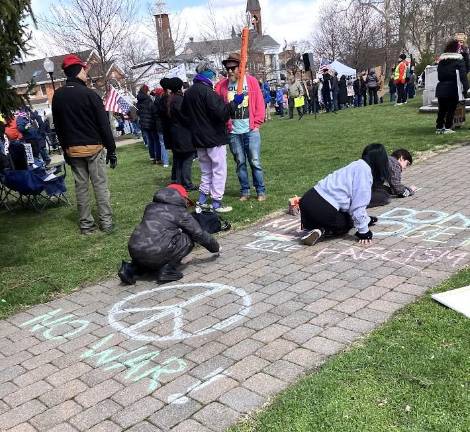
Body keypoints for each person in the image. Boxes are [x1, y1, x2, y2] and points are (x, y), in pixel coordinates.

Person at [52, 54, 117, 235]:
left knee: (81, 188)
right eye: (84, 70)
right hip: (93, 148)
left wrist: (65, 149)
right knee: (100, 186)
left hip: (73, 149)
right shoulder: (90, 94)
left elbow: (58, 127)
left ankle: (86, 226)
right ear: (79, 71)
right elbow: (103, 125)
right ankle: (106, 222)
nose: (86, 74)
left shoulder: (58, 96)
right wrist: (111, 149)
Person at [118, 184, 220, 285]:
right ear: (181, 197)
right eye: (186, 199)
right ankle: (167, 270)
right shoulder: (179, 211)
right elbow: (198, 233)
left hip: (135, 249)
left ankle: (129, 269)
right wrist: (215, 247)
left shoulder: (150, 206)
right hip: (156, 252)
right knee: (188, 237)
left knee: (149, 252)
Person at [181, 60, 244, 213]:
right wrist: (234, 103)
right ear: (209, 75)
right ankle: (216, 202)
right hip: (214, 138)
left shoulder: (189, 93)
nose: (216, 78)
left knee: (206, 171)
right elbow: (221, 113)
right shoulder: (208, 92)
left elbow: (184, 115)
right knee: (218, 170)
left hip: (199, 139)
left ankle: (202, 201)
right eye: (214, 75)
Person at [299, 143, 389, 246]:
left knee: (337, 215)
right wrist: (364, 232)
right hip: (322, 208)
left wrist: (366, 219)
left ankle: (314, 228)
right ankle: (322, 230)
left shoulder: (355, 165)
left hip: (307, 201)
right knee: (347, 223)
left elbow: (346, 201)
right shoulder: (365, 172)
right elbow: (357, 207)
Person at [215, 53, 266, 202]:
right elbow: (219, 107)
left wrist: (256, 123)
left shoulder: (251, 82)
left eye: (233, 68)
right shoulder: (222, 86)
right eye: (227, 68)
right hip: (234, 132)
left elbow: (259, 104)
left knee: (255, 161)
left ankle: (260, 190)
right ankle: (245, 191)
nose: (230, 71)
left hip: (251, 131)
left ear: (240, 67)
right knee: (240, 162)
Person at [161, 77, 197, 190]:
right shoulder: (178, 100)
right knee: (187, 159)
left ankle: (178, 181)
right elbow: (185, 117)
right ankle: (186, 183)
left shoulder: (171, 99)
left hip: (176, 134)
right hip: (182, 134)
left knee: (179, 159)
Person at [435, 39, 469, 134]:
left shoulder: (442, 60)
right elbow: (463, 74)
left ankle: (439, 127)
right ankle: (448, 127)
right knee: (451, 109)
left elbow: (439, 74)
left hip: (441, 86)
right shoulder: (459, 60)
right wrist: (466, 88)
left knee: (441, 109)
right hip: (453, 87)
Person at [137, 84, 161, 164]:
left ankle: (152, 157)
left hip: (144, 123)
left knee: (150, 140)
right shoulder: (148, 100)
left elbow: (138, 112)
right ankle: (158, 158)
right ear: (146, 91)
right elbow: (153, 110)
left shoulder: (139, 101)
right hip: (151, 122)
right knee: (156, 140)